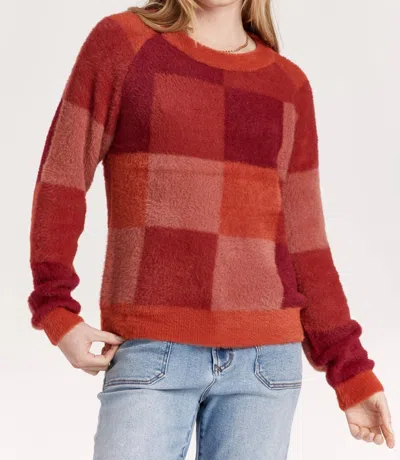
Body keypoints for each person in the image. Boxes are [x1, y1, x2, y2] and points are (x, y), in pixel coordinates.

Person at [28, 1, 395, 458]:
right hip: (151, 346)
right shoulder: (123, 44)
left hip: (265, 364)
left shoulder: (289, 85)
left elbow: (307, 245)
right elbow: (62, 178)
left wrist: (351, 370)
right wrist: (56, 310)